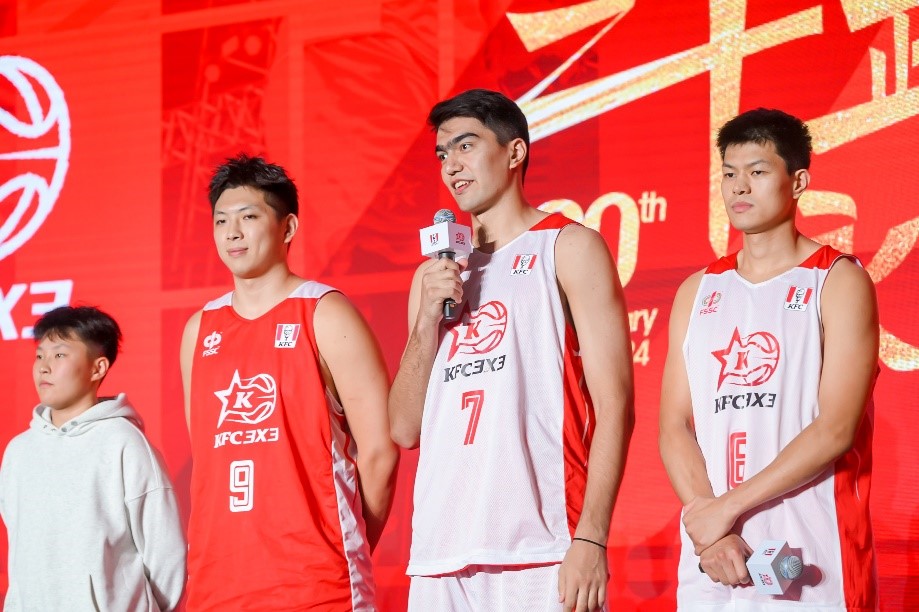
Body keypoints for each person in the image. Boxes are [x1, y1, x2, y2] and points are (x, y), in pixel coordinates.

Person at [389, 88, 635, 612]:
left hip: (542, 548)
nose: (451, 165)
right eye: (442, 153)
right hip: (440, 553)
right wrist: (426, 319)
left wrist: (591, 538)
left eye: (465, 146)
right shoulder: (434, 276)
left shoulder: (568, 246)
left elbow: (615, 406)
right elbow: (405, 428)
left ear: (515, 151)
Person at [659, 108, 878, 610]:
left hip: (813, 556)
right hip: (714, 562)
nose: (739, 187)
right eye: (729, 174)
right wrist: (711, 529)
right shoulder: (697, 290)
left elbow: (836, 428)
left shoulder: (838, 280)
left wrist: (726, 509)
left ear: (797, 182)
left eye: (757, 171)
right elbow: (673, 424)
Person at [180, 154, 398, 610]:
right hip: (215, 587)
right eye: (221, 220)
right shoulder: (199, 329)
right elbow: (208, 460)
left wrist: (344, 549)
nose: (232, 232)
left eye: (248, 217)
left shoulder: (325, 313)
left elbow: (379, 453)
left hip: (316, 588)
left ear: (288, 227)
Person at [0, 305, 186, 611]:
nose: (44, 367)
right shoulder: (19, 451)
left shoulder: (123, 443)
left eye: (59, 355)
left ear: (97, 368)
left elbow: (165, 552)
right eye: (40, 355)